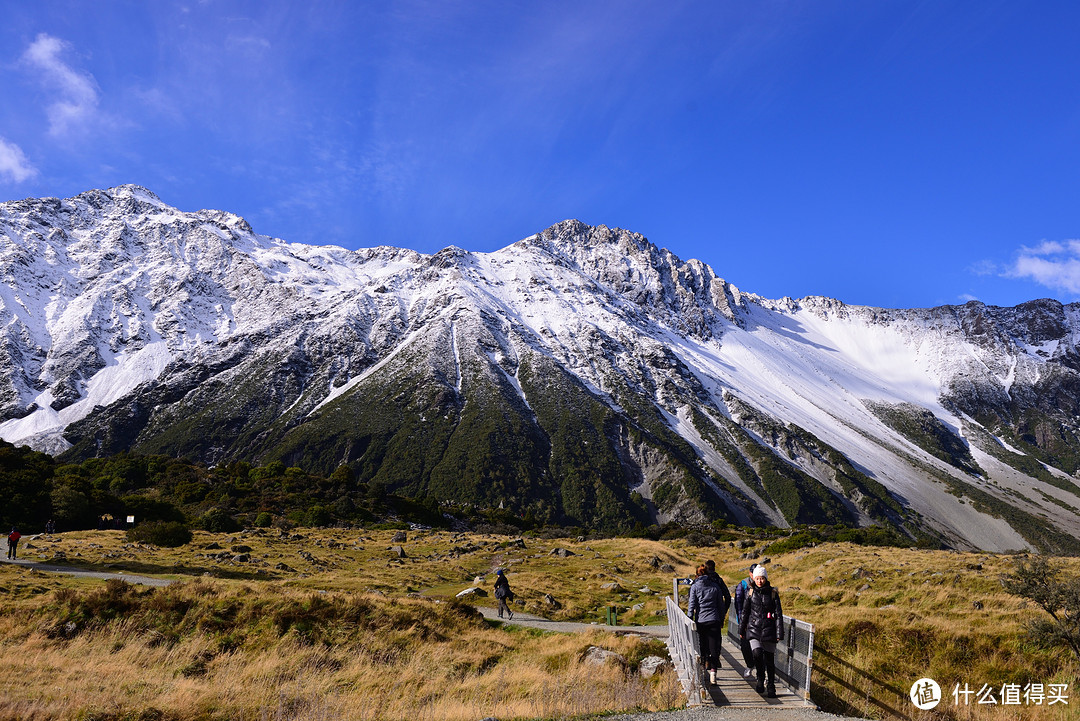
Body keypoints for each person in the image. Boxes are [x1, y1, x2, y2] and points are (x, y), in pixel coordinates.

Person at [739, 564, 783, 697]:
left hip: (769, 629)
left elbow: (779, 615)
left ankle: (771, 685)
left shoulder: (773, 593)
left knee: (769, 660)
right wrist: (742, 629)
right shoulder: (750, 593)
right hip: (754, 630)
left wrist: (779, 633)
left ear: (766, 578)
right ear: (754, 579)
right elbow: (745, 613)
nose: (759, 581)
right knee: (757, 654)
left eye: (762, 578)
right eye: (757, 578)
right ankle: (760, 678)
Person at [688, 563, 730, 685]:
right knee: (714, 646)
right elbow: (721, 605)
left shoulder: (695, 587)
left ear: (697, 575)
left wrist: (690, 618)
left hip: (701, 620)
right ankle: (713, 673)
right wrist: (721, 619)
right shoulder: (715, 587)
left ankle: (703, 668)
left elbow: (691, 604)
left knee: (703, 644)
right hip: (714, 619)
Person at [733, 563, 759, 679]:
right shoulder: (743, 584)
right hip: (746, 621)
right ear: (750, 573)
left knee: (759, 648)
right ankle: (750, 665)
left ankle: (760, 672)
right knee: (745, 646)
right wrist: (741, 622)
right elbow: (738, 605)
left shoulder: (762, 584)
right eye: (753, 573)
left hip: (759, 622)